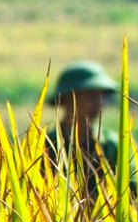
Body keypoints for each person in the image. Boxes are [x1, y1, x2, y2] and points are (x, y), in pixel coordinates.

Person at [47, 60, 122, 192]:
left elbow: (131, 197)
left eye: (101, 96)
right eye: (91, 96)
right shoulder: (43, 146)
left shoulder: (112, 146)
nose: (98, 103)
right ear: (67, 98)